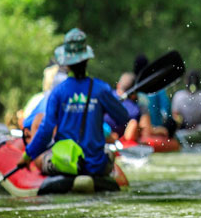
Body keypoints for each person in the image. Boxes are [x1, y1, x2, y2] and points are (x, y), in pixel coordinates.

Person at [17, 28, 130, 185]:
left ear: (66, 64)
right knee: (107, 155)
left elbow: (45, 131)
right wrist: (106, 107)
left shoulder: (57, 92)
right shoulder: (101, 89)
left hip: (65, 165)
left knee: (38, 159)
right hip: (95, 166)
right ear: (87, 60)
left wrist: (27, 156)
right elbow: (123, 117)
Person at [134, 53, 176, 137]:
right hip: (156, 129)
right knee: (172, 123)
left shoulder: (133, 88)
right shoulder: (158, 88)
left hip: (138, 130)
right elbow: (166, 110)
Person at [116, 71, 150, 142]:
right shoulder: (138, 109)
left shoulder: (106, 97)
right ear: (135, 94)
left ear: (118, 86)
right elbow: (147, 132)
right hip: (125, 142)